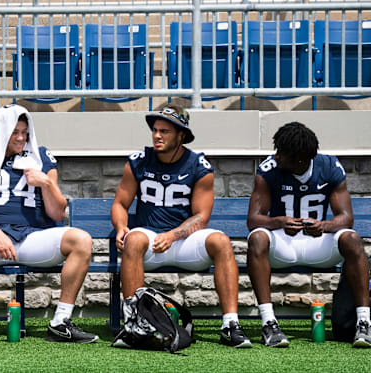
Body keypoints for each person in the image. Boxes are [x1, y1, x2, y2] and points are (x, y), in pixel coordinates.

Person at [0, 105, 98, 346]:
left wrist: (47, 183)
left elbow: (57, 212)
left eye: (25, 132)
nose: (20, 138)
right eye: (14, 132)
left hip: (31, 239)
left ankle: (60, 322)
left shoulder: (41, 157)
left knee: (82, 240)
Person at [110, 104, 251, 348]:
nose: (157, 136)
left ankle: (230, 324)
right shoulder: (139, 162)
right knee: (133, 239)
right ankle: (135, 324)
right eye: (155, 130)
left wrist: (173, 235)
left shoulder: (198, 166)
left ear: (181, 135)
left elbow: (201, 217)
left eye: (164, 131)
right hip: (150, 239)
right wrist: (122, 227)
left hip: (184, 241)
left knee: (221, 241)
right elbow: (120, 203)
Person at [247, 121, 370, 348]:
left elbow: (346, 217)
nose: (276, 156)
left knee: (352, 238)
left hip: (317, 243)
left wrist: (324, 225)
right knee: (257, 237)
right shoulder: (268, 170)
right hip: (283, 244)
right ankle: (269, 323)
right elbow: (253, 220)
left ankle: (364, 322)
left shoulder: (329, 167)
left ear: (300, 159)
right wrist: (279, 221)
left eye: (282, 153)